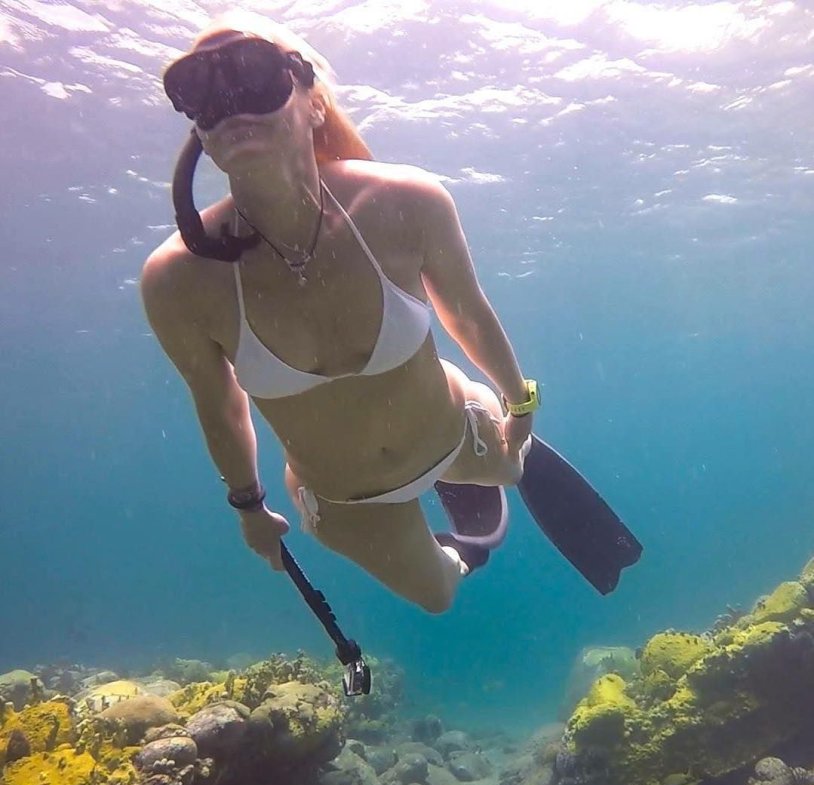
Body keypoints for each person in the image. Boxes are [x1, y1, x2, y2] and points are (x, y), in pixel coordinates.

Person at [141, 11, 541, 614]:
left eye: (252, 73)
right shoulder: (178, 279)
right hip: (346, 502)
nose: (229, 104)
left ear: (314, 103)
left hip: (455, 427)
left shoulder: (404, 200)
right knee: (438, 595)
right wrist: (249, 509)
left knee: (511, 471)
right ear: (197, 127)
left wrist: (519, 401)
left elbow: (469, 314)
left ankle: (485, 445)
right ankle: (467, 551)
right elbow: (219, 405)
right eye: (200, 90)